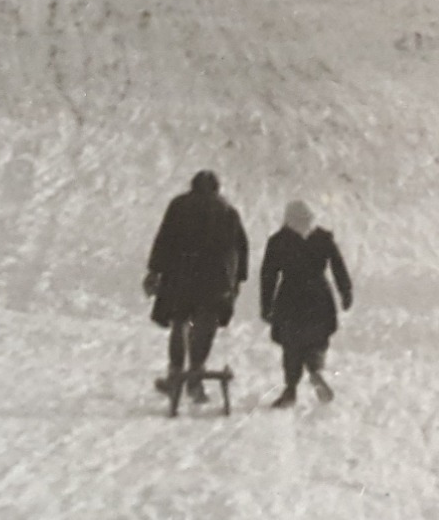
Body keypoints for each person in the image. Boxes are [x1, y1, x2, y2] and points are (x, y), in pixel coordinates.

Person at [144, 170, 250, 400]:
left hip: (181, 276)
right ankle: (195, 378)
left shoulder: (179, 206)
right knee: (205, 325)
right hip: (215, 280)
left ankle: (175, 375)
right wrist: (237, 280)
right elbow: (240, 248)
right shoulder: (227, 211)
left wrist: (154, 272)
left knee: (179, 323)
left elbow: (164, 239)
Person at [258, 199, 354, 409]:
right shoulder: (323, 238)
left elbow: (268, 275)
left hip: (290, 297)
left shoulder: (278, 241)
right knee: (317, 339)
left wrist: (266, 305)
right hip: (319, 296)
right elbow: (338, 266)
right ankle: (316, 370)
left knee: (291, 345)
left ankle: (290, 389)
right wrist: (345, 291)